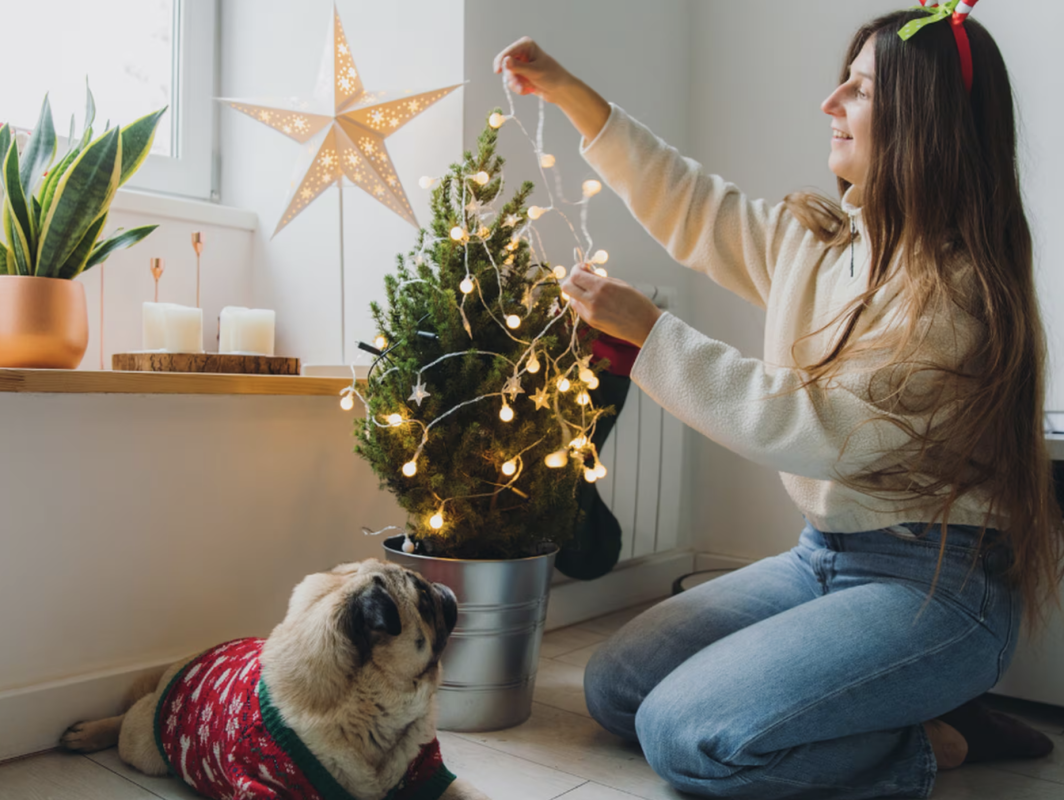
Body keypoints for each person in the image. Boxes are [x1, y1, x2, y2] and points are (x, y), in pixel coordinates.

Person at [494, 5, 1063, 800]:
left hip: (935, 586)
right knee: (617, 687)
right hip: (820, 557)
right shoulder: (827, 244)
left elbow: (814, 427)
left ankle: (930, 739)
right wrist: (567, 92)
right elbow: (695, 206)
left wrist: (651, 334)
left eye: (860, 90)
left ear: (925, 120)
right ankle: (896, 705)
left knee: (686, 736)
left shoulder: (956, 295)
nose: (829, 103)